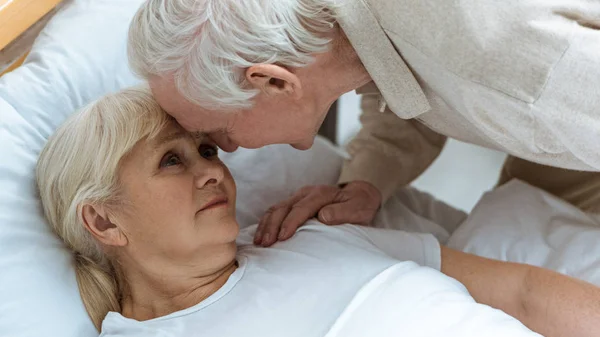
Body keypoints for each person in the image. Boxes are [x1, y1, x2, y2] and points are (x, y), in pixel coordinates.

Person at [37, 88, 600, 337]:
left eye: (207, 152)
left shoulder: (311, 236)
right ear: (105, 223)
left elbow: (524, 291)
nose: (211, 172)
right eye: (171, 160)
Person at [127, 0, 600, 248]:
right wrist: (366, 183)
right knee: (528, 233)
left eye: (217, 136)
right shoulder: (340, 28)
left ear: (273, 83)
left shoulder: (518, 79)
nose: (226, 153)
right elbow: (407, 88)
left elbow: (467, 76)